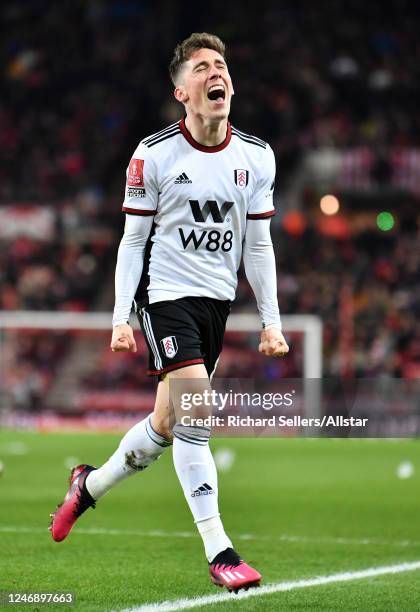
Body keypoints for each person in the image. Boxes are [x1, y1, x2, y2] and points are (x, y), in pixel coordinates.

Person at [50, 32, 289, 593]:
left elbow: (258, 247)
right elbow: (132, 242)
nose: (217, 73)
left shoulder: (257, 157)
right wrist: (119, 316)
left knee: (166, 423)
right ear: (181, 90)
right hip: (165, 296)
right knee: (199, 414)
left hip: (216, 303)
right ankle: (220, 550)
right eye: (203, 67)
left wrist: (271, 322)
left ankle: (87, 486)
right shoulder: (153, 154)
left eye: (222, 65)